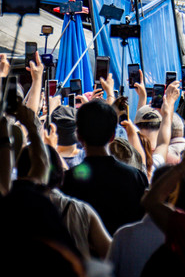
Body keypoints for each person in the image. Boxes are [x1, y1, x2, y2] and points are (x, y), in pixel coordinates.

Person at [61, 100, 148, 235]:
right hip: (125, 253)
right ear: (113, 136)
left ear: (78, 136)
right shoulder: (136, 178)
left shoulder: (67, 181)